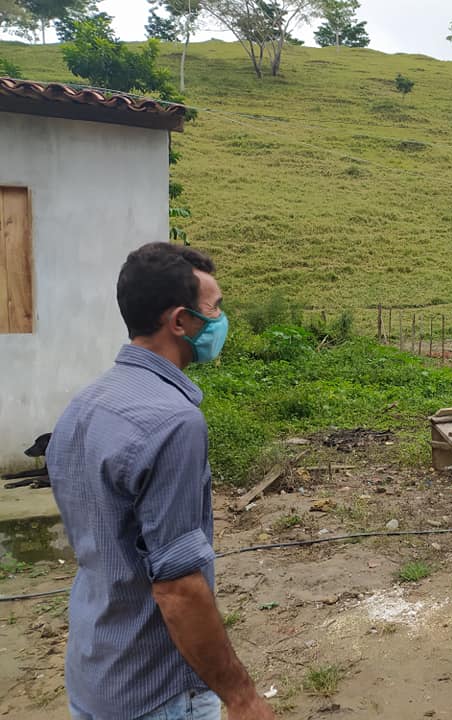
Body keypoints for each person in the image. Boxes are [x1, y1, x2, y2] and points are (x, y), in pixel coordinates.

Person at [47, 243, 275, 720]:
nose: (220, 320)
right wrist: (242, 696)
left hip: (95, 672)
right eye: (213, 309)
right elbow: (178, 588)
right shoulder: (172, 423)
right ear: (180, 321)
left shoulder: (85, 403)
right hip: (160, 693)